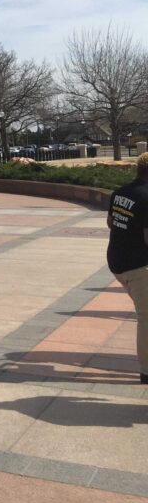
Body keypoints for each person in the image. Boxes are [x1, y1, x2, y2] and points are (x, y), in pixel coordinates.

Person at [107, 153, 148, 384]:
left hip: (117, 261)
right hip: (138, 266)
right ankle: (147, 370)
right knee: (146, 317)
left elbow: (111, 222)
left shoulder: (120, 193)